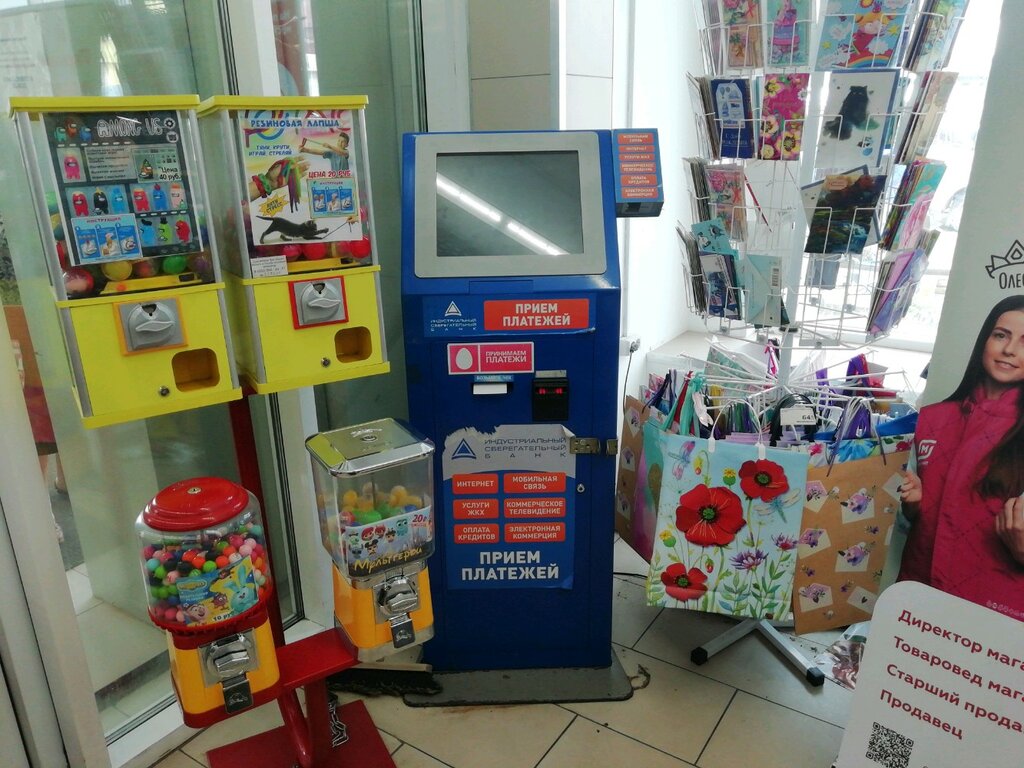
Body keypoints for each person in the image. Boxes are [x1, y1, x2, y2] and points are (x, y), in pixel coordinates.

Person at [898, 295, 1024, 621]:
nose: (1010, 349)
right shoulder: (930, 420)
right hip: (918, 599)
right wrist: (912, 507)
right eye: (1001, 335)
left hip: (994, 617)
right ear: (984, 341)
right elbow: (900, 523)